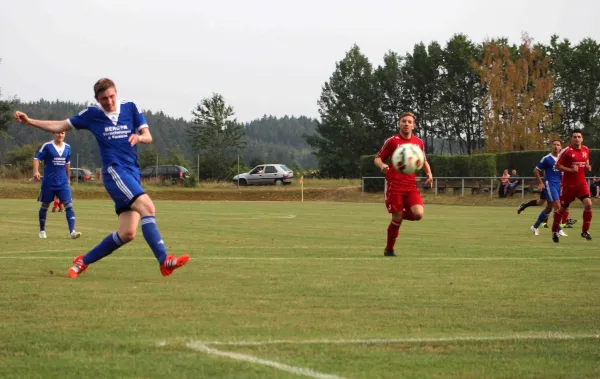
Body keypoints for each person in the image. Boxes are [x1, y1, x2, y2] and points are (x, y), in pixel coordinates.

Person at [14, 78, 190, 277]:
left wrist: (139, 137)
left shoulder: (131, 107)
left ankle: (82, 262)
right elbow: (60, 125)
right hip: (115, 172)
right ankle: (164, 260)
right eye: (104, 98)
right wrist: (30, 122)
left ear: (117, 92)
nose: (109, 101)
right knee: (148, 207)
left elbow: (148, 136)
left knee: (127, 233)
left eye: (112, 96)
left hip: (132, 173)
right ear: (97, 99)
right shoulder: (92, 115)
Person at [374, 112, 433, 257]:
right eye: (403, 121)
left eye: (409, 122)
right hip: (394, 185)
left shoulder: (418, 142)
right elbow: (377, 158)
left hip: (410, 186)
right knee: (397, 219)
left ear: (413, 125)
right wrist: (382, 166)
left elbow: (423, 160)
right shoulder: (392, 141)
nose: (406, 124)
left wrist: (429, 174)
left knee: (418, 214)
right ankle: (389, 249)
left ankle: (397, 215)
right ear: (399, 123)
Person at [33, 131, 80, 239]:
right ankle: (42, 230)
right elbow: (36, 159)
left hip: (62, 182)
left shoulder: (68, 147)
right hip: (49, 182)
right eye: (58, 133)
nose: (60, 135)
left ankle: (72, 231)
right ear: (54, 134)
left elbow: (67, 163)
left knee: (69, 205)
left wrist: (68, 178)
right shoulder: (47, 146)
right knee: (44, 206)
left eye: (62, 133)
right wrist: (36, 171)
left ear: (65, 134)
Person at [552, 129, 593, 242]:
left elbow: (586, 159)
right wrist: (570, 169)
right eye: (574, 137)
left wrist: (588, 165)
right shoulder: (566, 151)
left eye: (579, 137)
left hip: (581, 184)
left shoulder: (586, 149)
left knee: (588, 205)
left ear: (582, 138)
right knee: (562, 210)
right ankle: (554, 231)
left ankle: (585, 231)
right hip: (568, 186)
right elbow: (557, 166)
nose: (577, 139)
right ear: (571, 139)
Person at [520, 139, 568, 236]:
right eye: (554, 144)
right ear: (551, 146)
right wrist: (541, 183)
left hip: (559, 184)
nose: (556, 146)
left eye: (558, 145)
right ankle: (558, 230)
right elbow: (536, 170)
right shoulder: (546, 158)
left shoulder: (563, 158)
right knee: (558, 205)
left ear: (561, 147)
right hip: (550, 184)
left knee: (549, 208)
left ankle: (535, 227)